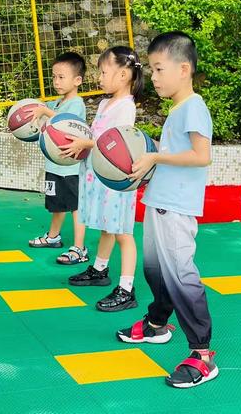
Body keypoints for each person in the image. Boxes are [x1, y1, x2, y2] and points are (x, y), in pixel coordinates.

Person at [116, 31, 218, 388]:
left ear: (184, 69)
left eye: (159, 70)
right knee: (155, 271)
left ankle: (202, 354)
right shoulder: (178, 108)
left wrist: (156, 155)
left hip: (176, 209)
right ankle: (158, 324)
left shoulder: (194, 107)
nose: (153, 78)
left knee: (181, 277)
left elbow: (201, 156)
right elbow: (175, 157)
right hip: (160, 204)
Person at [61, 46, 143, 312]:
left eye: (104, 71)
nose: (99, 77)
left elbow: (115, 144)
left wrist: (87, 142)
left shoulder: (126, 108)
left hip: (117, 179)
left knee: (122, 233)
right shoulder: (107, 103)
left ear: (123, 75)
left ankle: (127, 289)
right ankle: (99, 270)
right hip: (101, 176)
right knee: (108, 227)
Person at [28, 52, 88, 263]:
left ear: (77, 80)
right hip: (54, 164)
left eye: (61, 77)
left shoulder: (76, 104)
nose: (56, 81)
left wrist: (45, 111)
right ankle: (53, 237)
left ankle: (80, 247)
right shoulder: (57, 103)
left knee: (76, 206)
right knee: (57, 203)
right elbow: (46, 122)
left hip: (70, 166)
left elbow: (66, 122)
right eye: (54, 77)